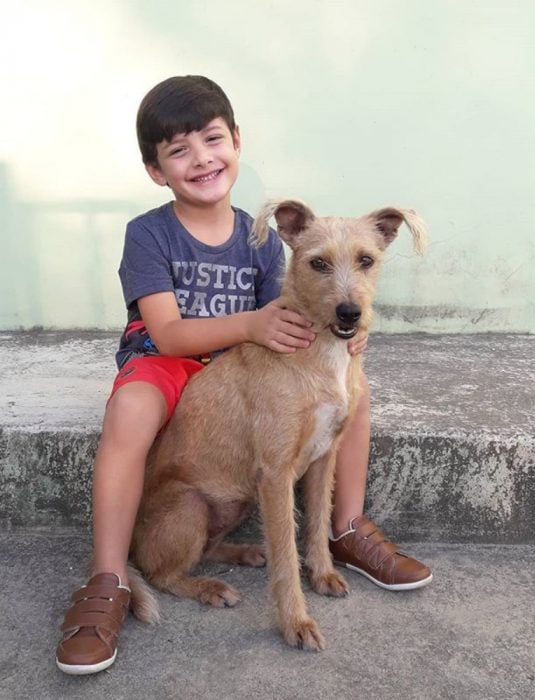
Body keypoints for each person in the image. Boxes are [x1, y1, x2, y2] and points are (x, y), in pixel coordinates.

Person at [56, 75, 432, 675]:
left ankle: (346, 529)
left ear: (236, 141)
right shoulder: (148, 233)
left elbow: (288, 312)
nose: (201, 158)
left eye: (212, 139)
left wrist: (350, 329)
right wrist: (257, 328)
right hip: (168, 357)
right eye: (179, 150)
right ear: (157, 170)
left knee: (352, 397)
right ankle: (107, 579)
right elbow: (173, 332)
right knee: (129, 411)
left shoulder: (257, 239)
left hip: (242, 367)